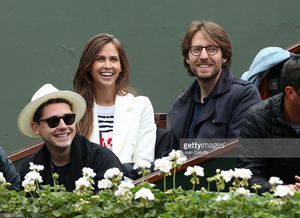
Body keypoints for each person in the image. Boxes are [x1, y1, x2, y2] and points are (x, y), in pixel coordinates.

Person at [168, 20, 261, 151]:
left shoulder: (244, 96)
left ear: (225, 57)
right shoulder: (182, 103)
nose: (204, 56)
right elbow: (169, 159)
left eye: (212, 49)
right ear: (187, 58)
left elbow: (238, 154)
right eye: (196, 49)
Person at [18, 84, 124, 192]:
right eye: (53, 121)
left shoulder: (102, 160)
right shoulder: (29, 168)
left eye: (68, 118)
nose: (63, 126)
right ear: (36, 128)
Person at [73, 33, 156, 164]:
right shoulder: (75, 109)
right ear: (88, 65)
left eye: (113, 59)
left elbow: (143, 163)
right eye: (100, 59)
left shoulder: (141, 106)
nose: (108, 65)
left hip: (131, 183)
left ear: (121, 66)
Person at [237, 55, 300, 193]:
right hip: (271, 206)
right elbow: (249, 174)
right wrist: (281, 190)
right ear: (290, 92)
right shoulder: (258, 117)